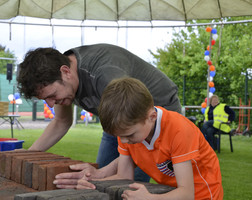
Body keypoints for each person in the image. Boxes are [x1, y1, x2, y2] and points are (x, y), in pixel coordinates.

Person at [17, 43, 181, 182]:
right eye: (46, 99)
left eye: (52, 96)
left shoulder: (105, 75)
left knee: (126, 185)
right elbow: (61, 122)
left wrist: (102, 174)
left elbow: (135, 130)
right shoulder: (62, 77)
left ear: (66, 72)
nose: (51, 104)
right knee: (100, 181)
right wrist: (29, 154)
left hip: (151, 116)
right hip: (118, 121)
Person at [55, 77, 223, 200]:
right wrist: (92, 182)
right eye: (120, 136)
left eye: (129, 135)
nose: (125, 141)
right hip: (168, 193)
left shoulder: (179, 130)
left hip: (203, 195)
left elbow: (187, 194)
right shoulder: (128, 130)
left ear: (151, 117)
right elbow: (125, 176)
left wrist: (150, 198)